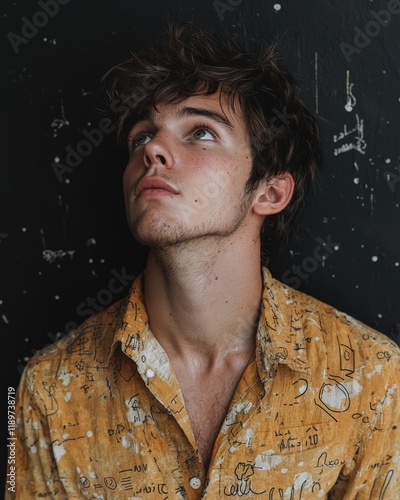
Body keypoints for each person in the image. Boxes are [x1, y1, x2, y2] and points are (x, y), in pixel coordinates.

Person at [6, 22, 400, 499]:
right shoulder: (48, 387)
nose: (153, 149)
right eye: (141, 138)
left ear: (269, 191)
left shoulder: (372, 377)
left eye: (200, 132)